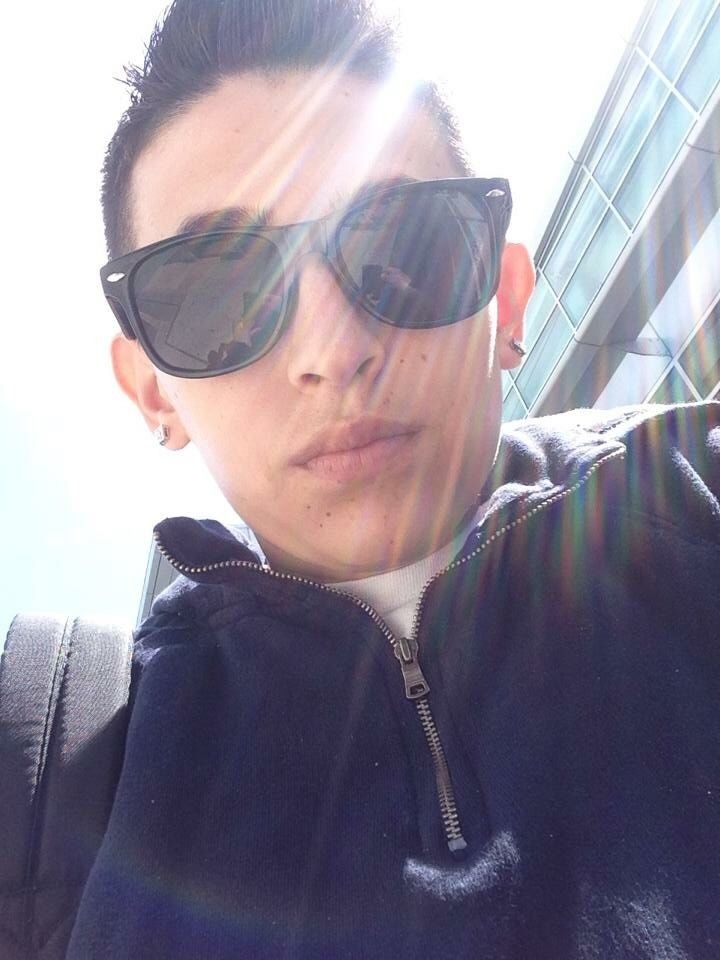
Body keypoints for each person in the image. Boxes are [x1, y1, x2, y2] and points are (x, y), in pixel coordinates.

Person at [67, 0, 720, 956]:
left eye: (408, 248)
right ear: (151, 390)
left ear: (506, 301)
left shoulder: (698, 504)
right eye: (219, 294)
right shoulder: (64, 770)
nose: (333, 351)